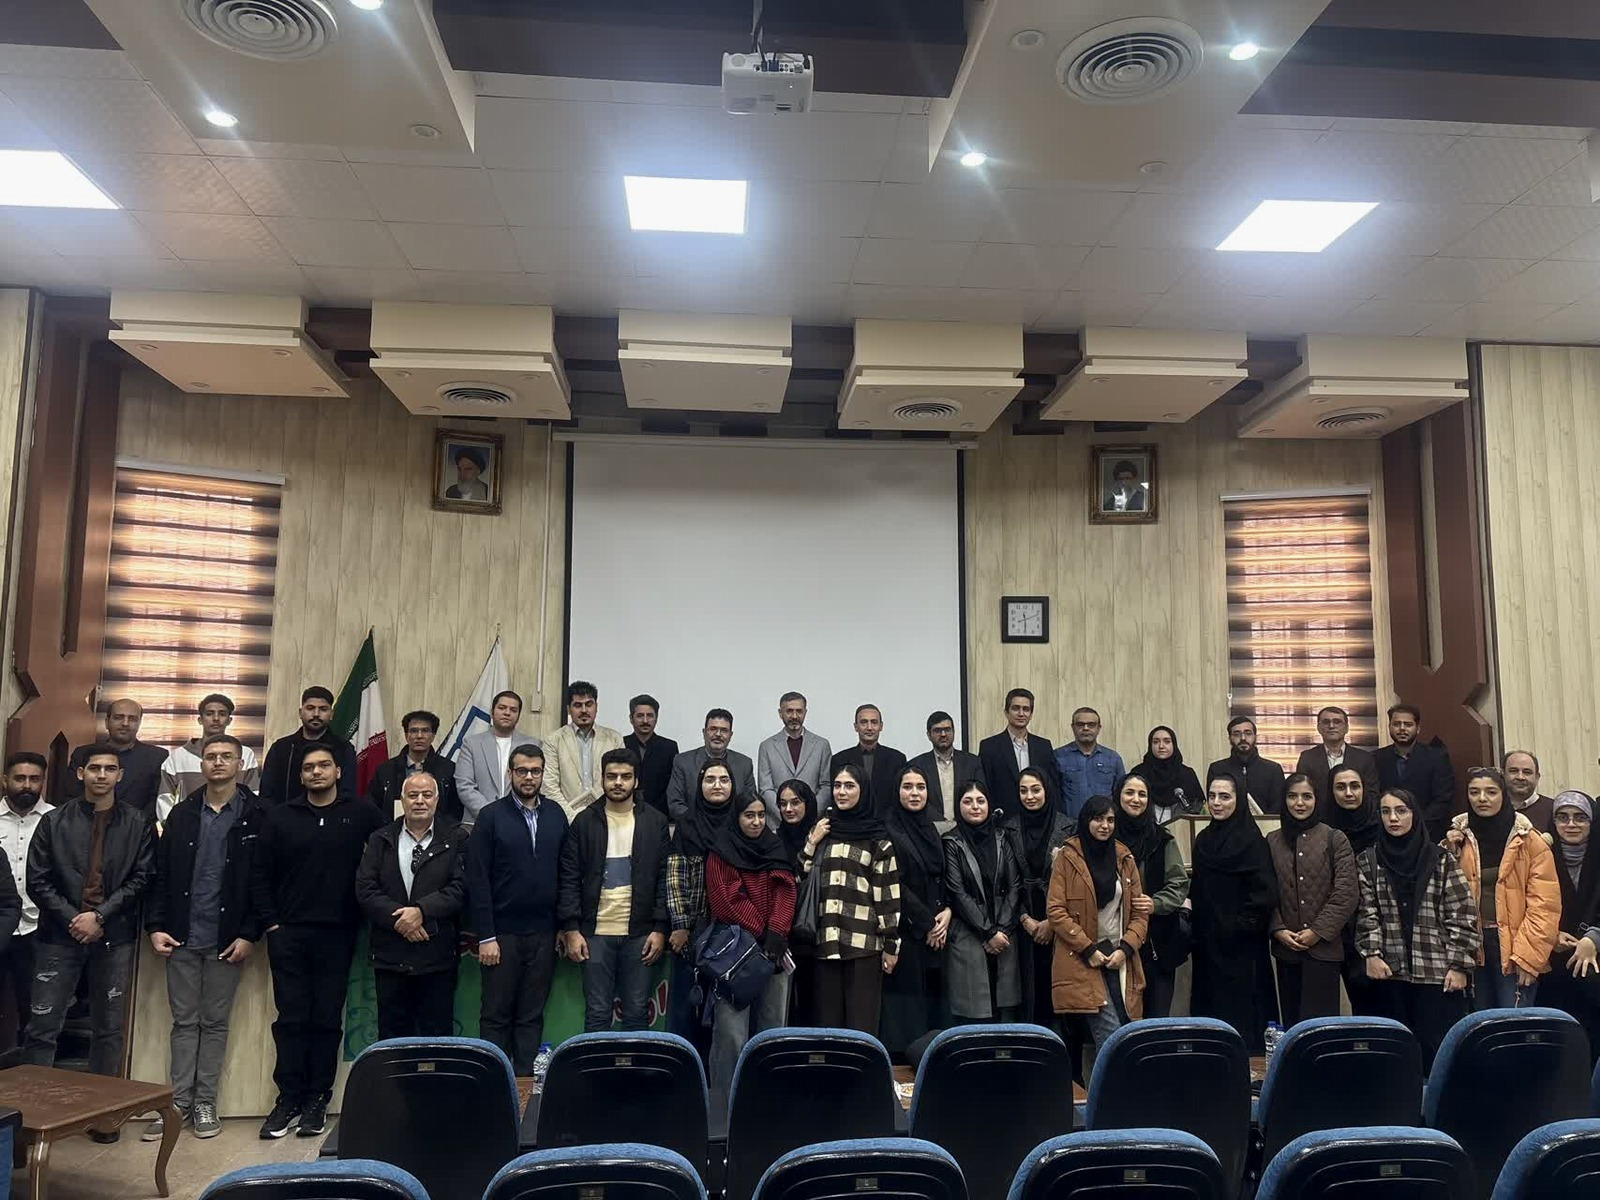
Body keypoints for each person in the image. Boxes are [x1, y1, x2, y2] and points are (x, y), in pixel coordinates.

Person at [253, 746, 383, 1139]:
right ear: (301, 776)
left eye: (324, 765)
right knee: (291, 1019)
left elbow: (388, 851)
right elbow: (259, 875)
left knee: (326, 1019)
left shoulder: (361, 813)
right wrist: (272, 924)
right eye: (308, 767)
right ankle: (288, 1098)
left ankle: (317, 1100)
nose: (316, 772)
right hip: (288, 933)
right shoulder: (280, 817)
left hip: (338, 933)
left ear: (338, 771)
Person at [144, 734, 264, 1141]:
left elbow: (263, 881)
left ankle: (205, 1103)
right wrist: (156, 926)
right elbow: (160, 874)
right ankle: (177, 1104)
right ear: (202, 764)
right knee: (183, 1023)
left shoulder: (258, 814)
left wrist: (249, 934)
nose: (218, 762)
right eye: (211, 756)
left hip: (227, 939)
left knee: (214, 1023)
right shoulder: (182, 814)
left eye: (226, 756)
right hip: (181, 934)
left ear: (239, 764)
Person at [25, 745, 156, 1119]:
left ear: (120, 775)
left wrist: (99, 916)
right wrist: (76, 919)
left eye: (109, 769)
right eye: (94, 768)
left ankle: (104, 1115)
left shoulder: (138, 823)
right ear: (80, 773)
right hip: (58, 936)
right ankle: (34, 1115)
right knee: (42, 1028)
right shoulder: (54, 821)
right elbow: (38, 880)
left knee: (109, 1030)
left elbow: (143, 877)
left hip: (114, 936)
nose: (102, 775)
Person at [1356, 787, 1476, 1069]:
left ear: (1414, 814)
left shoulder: (1440, 859)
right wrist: (1371, 953)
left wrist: (1459, 965)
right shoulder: (1369, 860)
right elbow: (1366, 912)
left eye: (1401, 811)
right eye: (1386, 812)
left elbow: (1462, 914)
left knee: (1440, 1055)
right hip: (1390, 973)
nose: (1393, 818)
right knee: (1397, 1057)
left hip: (1437, 971)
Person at [467, 743, 566, 1074]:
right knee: (496, 1015)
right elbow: (477, 878)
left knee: (531, 1015)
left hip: (544, 934)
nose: (528, 777)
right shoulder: (491, 816)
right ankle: (493, 1084)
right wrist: (486, 936)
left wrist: (564, 926)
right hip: (501, 936)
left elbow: (566, 874)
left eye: (535, 771)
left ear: (543, 774)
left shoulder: (555, 815)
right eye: (521, 771)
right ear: (510, 773)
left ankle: (525, 1088)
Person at [558, 748, 669, 1032]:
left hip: (641, 933)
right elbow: (569, 877)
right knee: (597, 1014)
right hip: (594, 933)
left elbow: (663, 878)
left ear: (636, 781)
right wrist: (571, 929)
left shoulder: (655, 821)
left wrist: (660, 928)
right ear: (602, 779)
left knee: (636, 1014)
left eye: (625, 776)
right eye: (612, 776)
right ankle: (596, 1066)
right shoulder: (584, 821)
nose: (618, 782)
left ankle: (632, 1065)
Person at [355, 772, 468, 1040]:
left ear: (437, 800)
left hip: (437, 955)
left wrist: (421, 912)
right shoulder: (380, 839)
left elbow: (461, 887)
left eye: (427, 795)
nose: (420, 801)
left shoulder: (457, 838)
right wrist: (401, 920)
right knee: (392, 1040)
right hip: (390, 955)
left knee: (436, 1039)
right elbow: (365, 888)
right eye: (413, 795)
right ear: (402, 800)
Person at [1444, 766, 1560, 1009]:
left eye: (1491, 792)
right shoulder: (1458, 839)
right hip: (1471, 946)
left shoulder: (1528, 840)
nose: (1482, 798)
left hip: (1516, 946)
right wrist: (1449, 852)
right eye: (1474, 792)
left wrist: (1529, 958)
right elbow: (1443, 897)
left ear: (1503, 795)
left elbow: (1545, 905)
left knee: (1513, 1021)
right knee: (1479, 1022)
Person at [705, 791, 796, 1092]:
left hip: (774, 950)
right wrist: (760, 932)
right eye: (749, 815)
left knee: (773, 1030)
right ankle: (725, 1102)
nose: (756, 822)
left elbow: (786, 890)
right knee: (732, 1034)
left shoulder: (774, 847)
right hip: (736, 953)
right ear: (737, 817)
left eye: (760, 815)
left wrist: (776, 931)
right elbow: (726, 900)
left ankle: (767, 1097)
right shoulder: (721, 851)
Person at [800, 764, 900, 1033]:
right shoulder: (823, 832)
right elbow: (799, 877)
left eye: (849, 786)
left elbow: (888, 897)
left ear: (863, 791)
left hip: (864, 945)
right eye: (837, 786)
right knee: (827, 1027)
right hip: (825, 942)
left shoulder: (878, 840)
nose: (841, 792)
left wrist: (891, 945)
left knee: (861, 1027)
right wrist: (812, 842)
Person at [1048, 794, 1147, 1061]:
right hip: (1083, 958)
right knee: (1110, 1033)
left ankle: (1119, 1085)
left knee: (1128, 1030)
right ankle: (1110, 1087)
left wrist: (1125, 948)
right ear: (1085, 820)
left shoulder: (1124, 857)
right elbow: (1055, 911)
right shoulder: (1067, 857)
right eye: (1098, 819)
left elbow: (1139, 912)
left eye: (1110, 820)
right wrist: (1088, 949)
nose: (1105, 825)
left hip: (1119, 958)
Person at [1188, 769, 1277, 1049]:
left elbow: (1265, 894)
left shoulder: (1253, 842)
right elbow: (1199, 889)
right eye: (1212, 796)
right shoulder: (1203, 840)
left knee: (1244, 1020)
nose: (1217, 803)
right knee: (1210, 1020)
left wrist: (1238, 927)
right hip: (1208, 947)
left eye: (1225, 797)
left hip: (1243, 949)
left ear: (1239, 800)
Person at [1266, 773, 1358, 1024]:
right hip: (1286, 949)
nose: (1299, 803)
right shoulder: (1272, 841)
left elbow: (1346, 893)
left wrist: (1317, 931)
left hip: (1324, 949)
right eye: (1292, 796)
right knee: (1291, 1024)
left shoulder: (1334, 838)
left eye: (1307, 796)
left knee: (1321, 1027)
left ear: (1317, 800)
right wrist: (1277, 929)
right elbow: (1265, 890)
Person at [665, 760, 739, 1047]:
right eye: (710, 779)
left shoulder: (742, 822)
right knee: (688, 1008)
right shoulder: (687, 824)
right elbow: (675, 877)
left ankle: (721, 1073)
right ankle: (686, 1068)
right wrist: (680, 925)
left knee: (725, 1014)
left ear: (733, 785)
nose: (717, 785)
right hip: (693, 932)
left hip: (733, 934)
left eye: (724, 780)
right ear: (700, 785)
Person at [879, 764, 950, 1057]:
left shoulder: (931, 827)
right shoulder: (888, 828)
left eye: (921, 787)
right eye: (907, 787)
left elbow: (942, 875)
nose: (915, 793)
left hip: (936, 932)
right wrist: (927, 922)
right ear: (897, 791)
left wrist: (946, 911)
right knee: (906, 1015)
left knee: (934, 1010)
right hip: (905, 932)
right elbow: (894, 882)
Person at [942, 779, 1022, 1023]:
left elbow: (1014, 885)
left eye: (980, 801)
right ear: (958, 806)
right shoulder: (951, 841)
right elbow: (957, 892)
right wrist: (988, 933)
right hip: (970, 935)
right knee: (975, 1016)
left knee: (1006, 1014)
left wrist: (1001, 931)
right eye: (967, 801)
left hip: (1005, 937)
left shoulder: (1002, 837)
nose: (975, 807)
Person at [1114, 772, 1189, 1019]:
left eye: (1142, 794)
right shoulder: (1106, 837)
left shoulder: (1162, 839)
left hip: (1157, 940)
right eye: (1129, 793)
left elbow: (1178, 883)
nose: (1136, 799)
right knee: (1122, 1018)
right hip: (1116, 939)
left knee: (1156, 1016)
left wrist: (1156, 903)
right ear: (1118, 796)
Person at [1539, 792, 1600, 1059]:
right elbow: (1527, 904)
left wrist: (1594, 938)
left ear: (1592, 822)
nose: (1571, 824)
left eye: (1580, 817)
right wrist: (1550, 934)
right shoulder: (1540, 857)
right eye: (1562, 817)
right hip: (1552, 958)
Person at [1012, 767, 1073, 1028]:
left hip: (1058, 919)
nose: (1030, 796)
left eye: (1036, 790)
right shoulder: (1008, 828)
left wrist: (1051, 921)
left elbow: (1072, 881)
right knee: (1028, 991)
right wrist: (1025, 918)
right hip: (1022, 921)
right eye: (1023, 791)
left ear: (1046, 790)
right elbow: (1007, 880)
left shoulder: (1068, 827)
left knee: (1057, 991)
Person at [0, 752, 51, 1051]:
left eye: (34, 779)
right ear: (5, 779)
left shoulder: (57, 819)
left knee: (35, 1009)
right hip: (0, 925)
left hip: (39, 929)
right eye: (20, 778)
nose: (27, 785)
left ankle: (31, 1070)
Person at [158, 693, 261, 821]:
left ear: (229, 720)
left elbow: (253, 797)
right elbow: (165, 801)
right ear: (200, 719)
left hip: (235, 827)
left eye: (222, 714)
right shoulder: (178, 757)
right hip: (188, 827)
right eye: (209, 713)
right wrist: (177, 828)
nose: (216, 718)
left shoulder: (245, 754)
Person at [64, 698, 166, 815]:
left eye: (132, 719)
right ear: (107, 722)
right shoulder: (82, 754)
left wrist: (135, 823)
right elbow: (71, 796)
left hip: (138, 824)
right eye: (118, 717)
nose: (125, 723)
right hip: (85, 822)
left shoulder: (157, 757)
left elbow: (157, 802)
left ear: (139, 723)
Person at [542, 680, 626, 821]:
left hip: (607, 818)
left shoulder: (614, 739)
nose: (584, 710)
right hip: (567, 820)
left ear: (596, 707)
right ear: (568, 709)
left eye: (589, 704)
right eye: (577, 705)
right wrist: (573, 818)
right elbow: (549, 786)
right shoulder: (553, 741)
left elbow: (621, 779)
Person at [259, 686, 358, 806]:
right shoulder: (281, 748)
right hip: (284, 816)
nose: (316, 714)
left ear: (331, 714)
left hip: (330, 816)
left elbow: (347, 793)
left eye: (323, 709)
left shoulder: (343, 748)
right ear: (300, 713)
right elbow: (266, 794)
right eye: (310, 708)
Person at [455, 690, 538, 828]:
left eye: (513, 710)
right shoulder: (471, 744)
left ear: (518, 716)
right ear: (492, 712)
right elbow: (465, 785)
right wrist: (491, 815)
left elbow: (535, 785)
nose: (507, 713)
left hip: (520, 822)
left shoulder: (533, 744)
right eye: (502, 708)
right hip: (478, 823)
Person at [774, 777, 820, 1024]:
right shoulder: (773, 840)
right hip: (784, 933)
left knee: (814, 1005)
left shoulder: (824, 838)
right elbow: (791, 881)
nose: (788, 809)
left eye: (795, 802)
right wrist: (810, 845)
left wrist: (813, 843)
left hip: (816, 933)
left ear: (808, 803)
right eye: (783, 804)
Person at [1375, 704, 1456, 843]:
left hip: (1428, 834)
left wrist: (1416, 825)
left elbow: (1443, 799)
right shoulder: (1376, 758)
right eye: (1396, 724)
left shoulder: (1437, 757)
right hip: (1386, 835)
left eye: (1408, 724)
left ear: (1418, 728)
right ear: (1389, 727)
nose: (1402, 728)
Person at [367, 709, 462, 823]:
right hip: (392, 831)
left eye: (425, 731)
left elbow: (455, 810)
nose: (419, 736)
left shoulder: (448, 769)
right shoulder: (385, 770)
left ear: (433, 735)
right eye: (414, 731)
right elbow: (373, 807)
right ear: (406, 735)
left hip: (438, 832)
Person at [756, 692, 833, 828]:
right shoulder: (767, 746)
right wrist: (786, 814)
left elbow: (826, 786)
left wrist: (809, 813)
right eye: (789, 711)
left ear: (805, 713)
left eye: (799, 711)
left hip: (813, 825)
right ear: (780, 713)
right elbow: (765, 789)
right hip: (778, 826)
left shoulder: (822, 745)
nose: (794, 716)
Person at [666, 709, 755, 822]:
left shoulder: (744, 764)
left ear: (730, 735)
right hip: (693, 828)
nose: (718, 734)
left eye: (724, 730)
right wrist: (700, 825)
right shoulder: (683, 762)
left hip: (733, 829)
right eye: (713, 729)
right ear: (704, 732)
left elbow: (750, 805)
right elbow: (675, 804)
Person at [978, 688, 1062, 807]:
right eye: (1016, 708)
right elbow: (985, 787)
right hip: (1004, 814)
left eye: (1026, 709)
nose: (1021, 714)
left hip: (1038, 814)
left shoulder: (1043, 746)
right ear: (1006, 713)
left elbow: (1052, 786)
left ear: (1031, 715)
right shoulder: (989, 746)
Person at [908, 711, 986, 825]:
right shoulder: (916, 765)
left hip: (966, 828)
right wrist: (943, 824)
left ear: (954, 732)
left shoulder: (972, 763)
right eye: (937, 730)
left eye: (947, 729)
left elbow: (980, 795)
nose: (943, 734)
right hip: (930, 828)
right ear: (929, 735)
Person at [1294, 706, 1379, 808]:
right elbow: (1301, 791)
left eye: (1337, 722)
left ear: (1347, 728)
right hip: (1320, 816)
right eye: (1326, 722)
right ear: (1319, 728)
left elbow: (1372, 795)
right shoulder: (1307, 758)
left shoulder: (1364, 758)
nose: (1331, 726)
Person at [830, 704, 908, 809]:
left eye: (874, 722)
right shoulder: (840, 759)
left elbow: (900, 796)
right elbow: (835, 797)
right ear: (856, 727)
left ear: (881, 726)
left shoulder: (897, 759)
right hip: (850, 817)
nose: (869, 727)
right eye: (864, 722)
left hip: (887, 818)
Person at [1054, 708, 1124, 822]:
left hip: (1104, 825)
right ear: (1073, 727)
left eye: (1091, 724)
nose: (1085, 728)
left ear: (1099, 728)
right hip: (1069, 826)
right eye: (1080, 724)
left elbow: (1120, 796)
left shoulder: (1113, 758)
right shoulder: (1058, 756)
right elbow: (1054, 796)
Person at [1206, 716, 1286, 816]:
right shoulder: (1217, 769)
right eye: (1237, 734)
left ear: (1255, 737)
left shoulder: (1273, 769)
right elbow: (1214, 804)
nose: (1243, 738)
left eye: (1248, 733)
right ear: (1230, 738)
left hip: (1265, 825)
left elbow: (1278, 808)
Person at [624, 694, 679, 819]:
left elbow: (672, 785)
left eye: (650, 715)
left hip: (661, 815)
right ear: (631, 718)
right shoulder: (621, 744)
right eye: (640, 716)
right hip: (626, 814)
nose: (645, 721)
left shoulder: (669, 747)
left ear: (656, 718)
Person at [1135, 726, 1204, 821]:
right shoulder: (1139, 774)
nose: (1161, 746)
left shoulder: (1187, 774)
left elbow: (1198, 806)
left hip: (1182, 829)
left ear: (1174, 744)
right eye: (1156, 742)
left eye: (1167, 741)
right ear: (1150, 745)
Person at [1503, 750, 1553, 833]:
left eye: (1527, 772)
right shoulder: (1492, 809)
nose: (1520, 777)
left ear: (1537, 777)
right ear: (1503, 775)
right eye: (1513, 771)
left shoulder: (1553, 810)